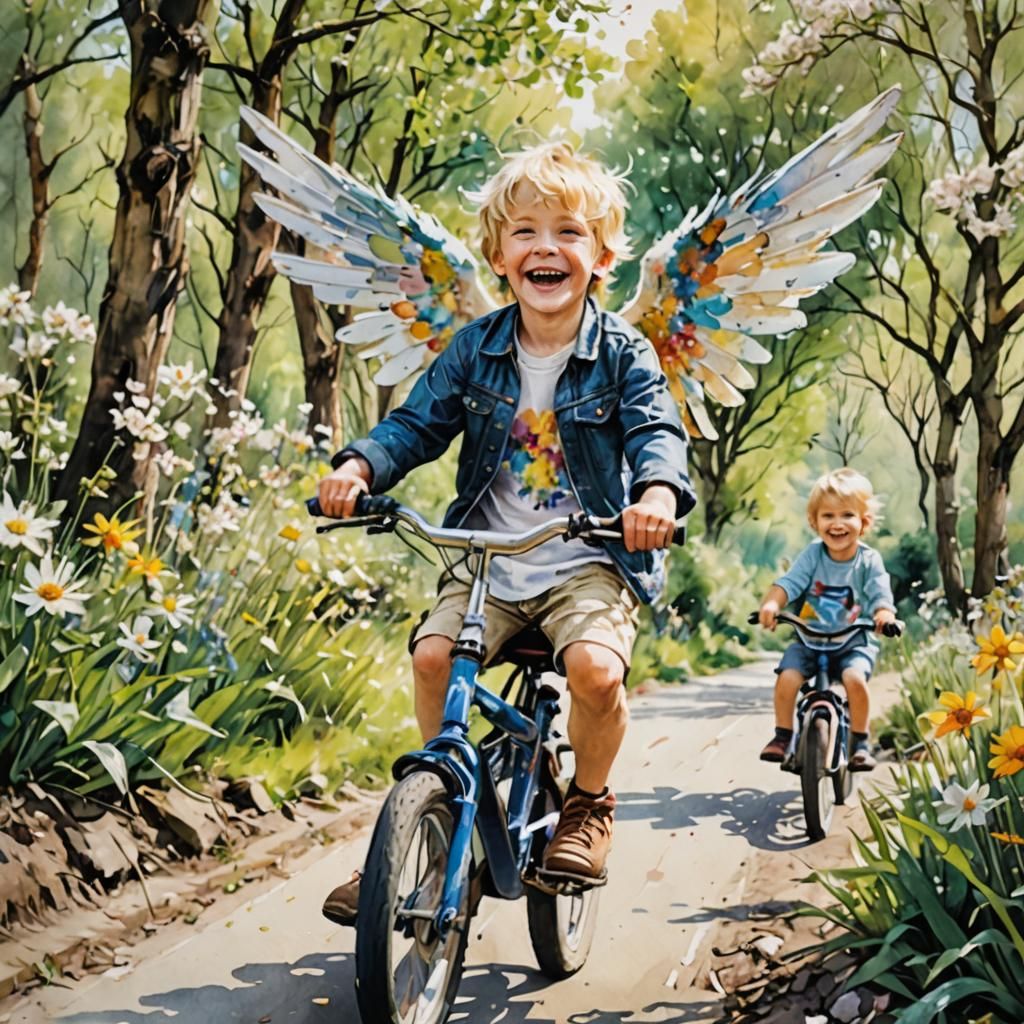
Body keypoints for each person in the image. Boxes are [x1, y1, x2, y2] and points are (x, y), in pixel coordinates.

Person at [316, 142, 696, 922]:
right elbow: (416, 425)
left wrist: (655, 492)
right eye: (524, 232)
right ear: (497, 253)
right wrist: (358, 467)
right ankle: (429, 823)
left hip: (587, 559)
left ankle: (589, 803)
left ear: (602, 256)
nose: (545, 248)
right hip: (486, 556)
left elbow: (658, 431)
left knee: (593, 672)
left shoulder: (624, 354)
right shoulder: (474, 348)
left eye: (568, 232)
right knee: (431, 657)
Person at [757, 468, 896, 771]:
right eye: (827, 516)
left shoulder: (868, 560)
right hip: (810, 639)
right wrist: (771, 603)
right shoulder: (812, 555)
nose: (837, 524)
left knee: (854, 680)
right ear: (814, 522)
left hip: (852, 642)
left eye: (847, 515)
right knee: (787, 678)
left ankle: (860, 742)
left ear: (864, 522)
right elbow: (789, 583)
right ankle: (783, 736)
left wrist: (884, 615)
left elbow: (879, 594)